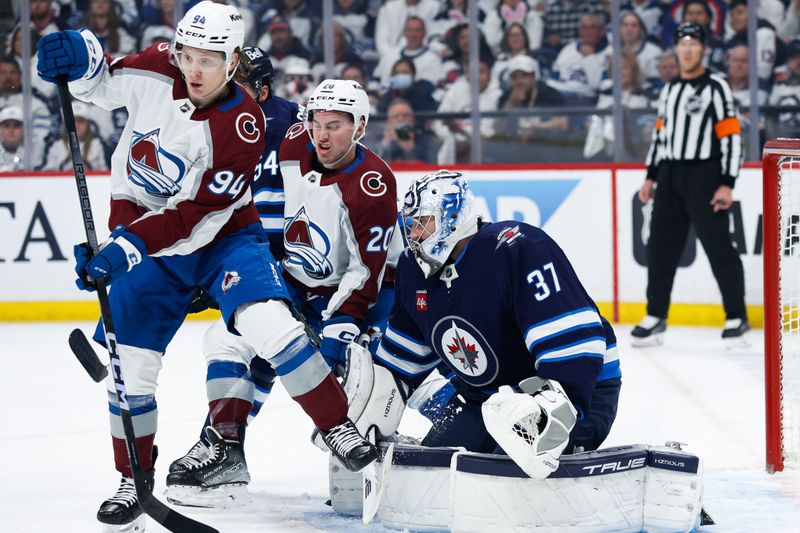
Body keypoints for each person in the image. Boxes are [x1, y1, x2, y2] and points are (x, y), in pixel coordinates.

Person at [35, 3, 377, 530]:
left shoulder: (243, 124)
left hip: (222, 240)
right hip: (149, 248)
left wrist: (123, 249)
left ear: (233, 61)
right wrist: (81, 56)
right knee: (130, 371)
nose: (193, 69)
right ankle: (134, 481)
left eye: (209, 60)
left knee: (270, 324)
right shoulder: (156, 68)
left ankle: (337, 425)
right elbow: (98, 85)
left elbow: (194, 215)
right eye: (186, 55)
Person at [165, 77, 401, 506]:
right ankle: (224, 448)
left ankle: (372, 473)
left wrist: (338, 328)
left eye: (336, 125)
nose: (322, 134)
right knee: (227, 338)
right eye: (317, 122)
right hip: (294, 281)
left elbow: (366, 273)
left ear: (360, 127)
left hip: (356, 298)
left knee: (357, 383)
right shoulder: (294, 144)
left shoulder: (373, 184)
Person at [374, 170, 621, 462]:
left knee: (517, 465)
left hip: (576, 388)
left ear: (453, 217)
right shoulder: (412, 270)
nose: (414, 235)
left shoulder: (518, 249)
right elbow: (402, 359)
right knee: (436, 468)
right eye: (411, 224)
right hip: (486, 397)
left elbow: (575, 344)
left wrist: (555, 408)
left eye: (424, 222)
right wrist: (368, 403)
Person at [632, 22, 748, 345]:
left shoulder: (717, 87)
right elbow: (660, 135)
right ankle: (656, 315)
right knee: (659, 249)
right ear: (676, 50)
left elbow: (731, 138)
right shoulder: (669, 90)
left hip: (705, 176)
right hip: (670, 176)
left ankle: (736, 316)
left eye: (693, 43)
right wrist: (651, 175)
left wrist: (727, 182)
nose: (687, 49)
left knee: (718, 247)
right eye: (682, 43)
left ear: (703, 49)